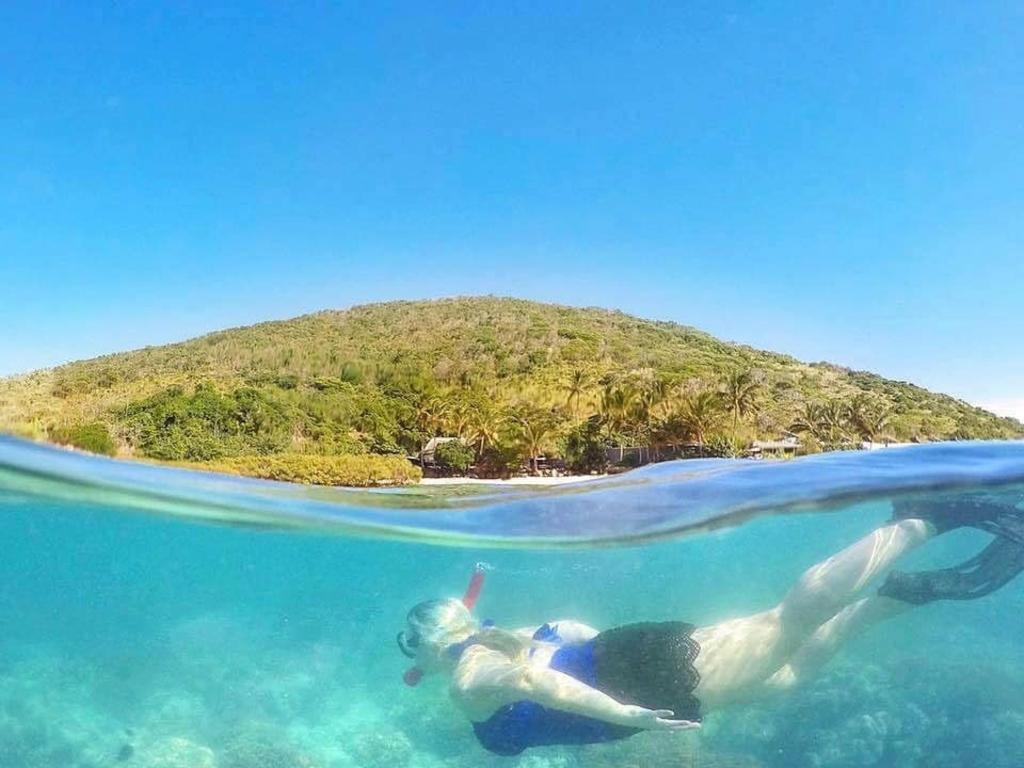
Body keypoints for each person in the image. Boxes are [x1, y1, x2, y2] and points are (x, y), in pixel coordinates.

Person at [396, 495, 1024, 756]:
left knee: (784, 624)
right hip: (635, 655)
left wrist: (628, 715)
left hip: (643, 687)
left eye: (411, 642)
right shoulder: (499, 639)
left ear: (426, 645)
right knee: (786, 675)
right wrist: (546, 650)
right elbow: (573, 632)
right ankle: (901, 594)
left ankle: (921, 520)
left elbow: (541, 686)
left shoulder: (467, 678)